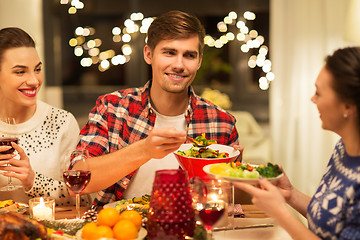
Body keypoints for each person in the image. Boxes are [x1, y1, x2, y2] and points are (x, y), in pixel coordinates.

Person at [72, 10, 242, 206]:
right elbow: (77, 180)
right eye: (169, 52)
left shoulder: (221, 122)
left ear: (199, 61)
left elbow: (233, 204)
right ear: (148, 54)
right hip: (121, 231)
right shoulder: (112, 108)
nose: (179, 64)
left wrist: (234, 175)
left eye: (189, 55)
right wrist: (144, 150)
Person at [235, 47, 360, 239]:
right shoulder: (343, 149)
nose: (313, 99)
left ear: (348, 106)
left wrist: (280, 213)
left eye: (318, 93)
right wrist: (290, 195)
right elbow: (329, 219)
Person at [0, 27, 90, 206]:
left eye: (37, 69)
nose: (34, 81)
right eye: (20, 71)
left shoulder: (61, 122)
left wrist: (33, 181)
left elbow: (82, 200)